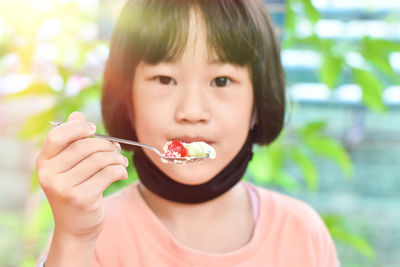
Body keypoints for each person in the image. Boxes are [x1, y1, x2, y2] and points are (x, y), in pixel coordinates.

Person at [36, 0, 340, 266]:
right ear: (127, 101)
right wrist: (74, 239)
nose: (192, 111)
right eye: (165, 79)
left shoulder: (302, 233)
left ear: (258, 104)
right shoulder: (86, 235)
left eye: (221, 81)